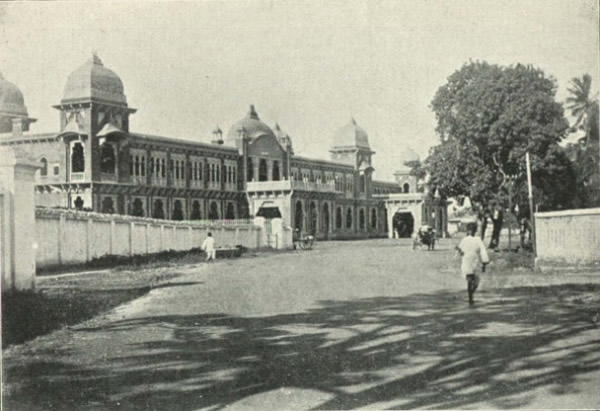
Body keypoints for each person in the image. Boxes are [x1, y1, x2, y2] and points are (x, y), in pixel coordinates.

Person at [456, 222, 489, 306]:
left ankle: (471, 295)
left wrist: (484, 262)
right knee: (473, 280)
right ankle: (471, 296)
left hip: (471, 261)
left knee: (472, 280)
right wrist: (484, 262)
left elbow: (461, 251)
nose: (471, 231)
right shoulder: (472, 240)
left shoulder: (471, 240)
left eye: (472, 229)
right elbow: (482, 251)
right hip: (471, 261)